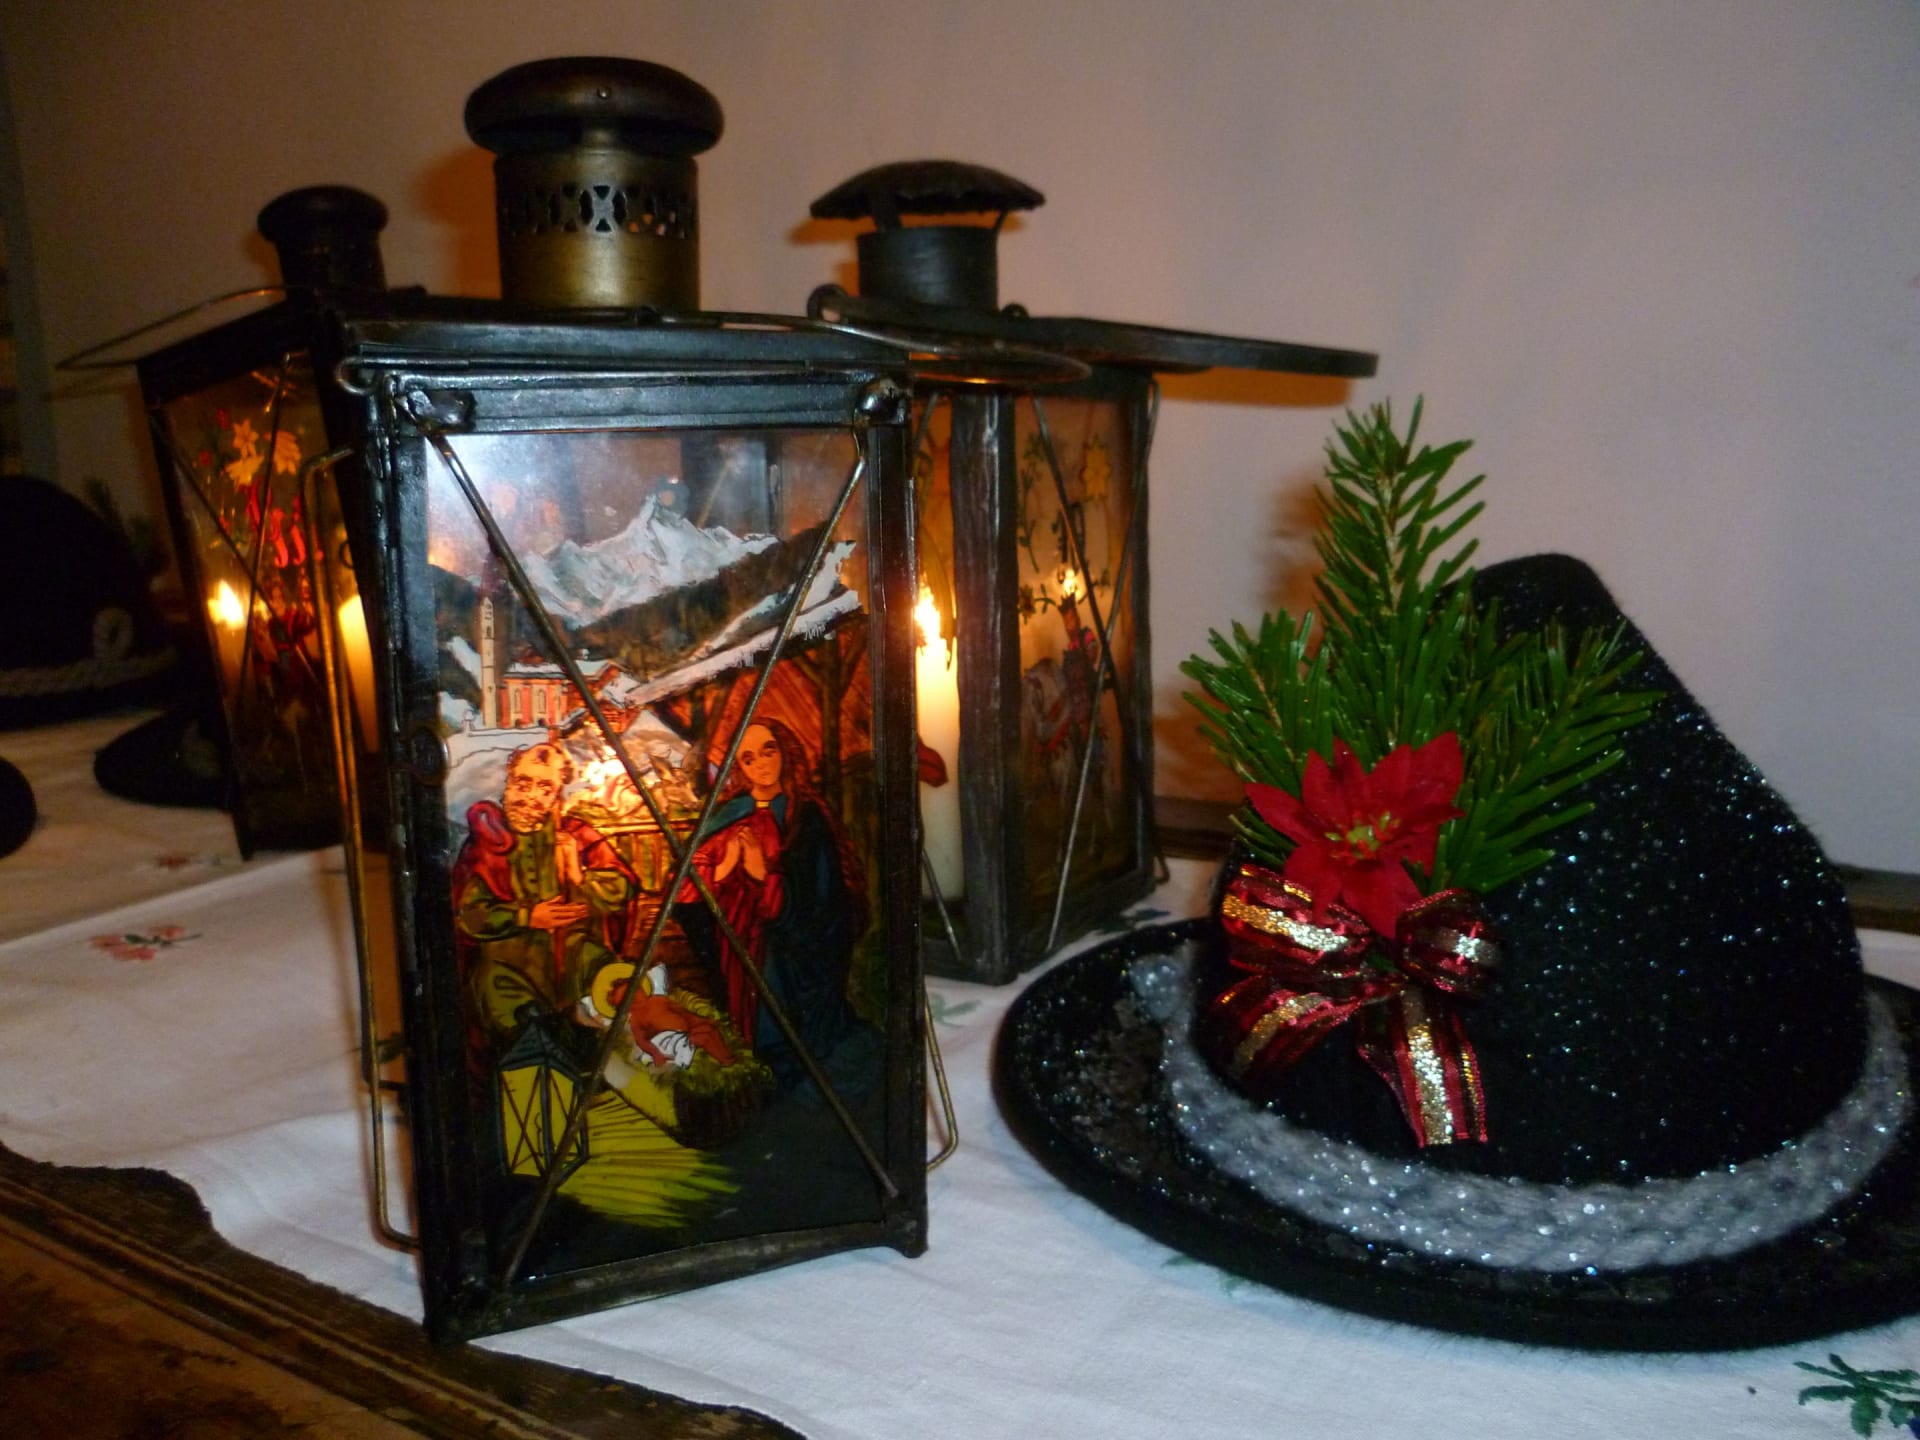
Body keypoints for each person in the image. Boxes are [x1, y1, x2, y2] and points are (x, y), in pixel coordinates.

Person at [674, 719, 874, 1091]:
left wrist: (763, 877)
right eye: (748, 759)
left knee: (786, 1025)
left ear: (785, 751)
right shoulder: (728, 814)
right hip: (740, 944)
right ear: (739, 767)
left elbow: (823, 896)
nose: (761, 765)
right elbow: (687, 886)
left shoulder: (807, 816)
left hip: (793, 948)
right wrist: (725, 869)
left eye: (769, 751)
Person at [452, 741, 637, 1042]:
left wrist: (579, 873)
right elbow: (469, 918)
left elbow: (622, 890)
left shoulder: (577, 835)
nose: (530, 797)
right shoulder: (486, 843)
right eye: (522, 784)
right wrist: (527, 917)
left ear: (556, 796)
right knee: (507, 1008)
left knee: (615, 990)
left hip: (578, 961)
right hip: (508, 969)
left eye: (544, 788)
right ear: (508, 784)